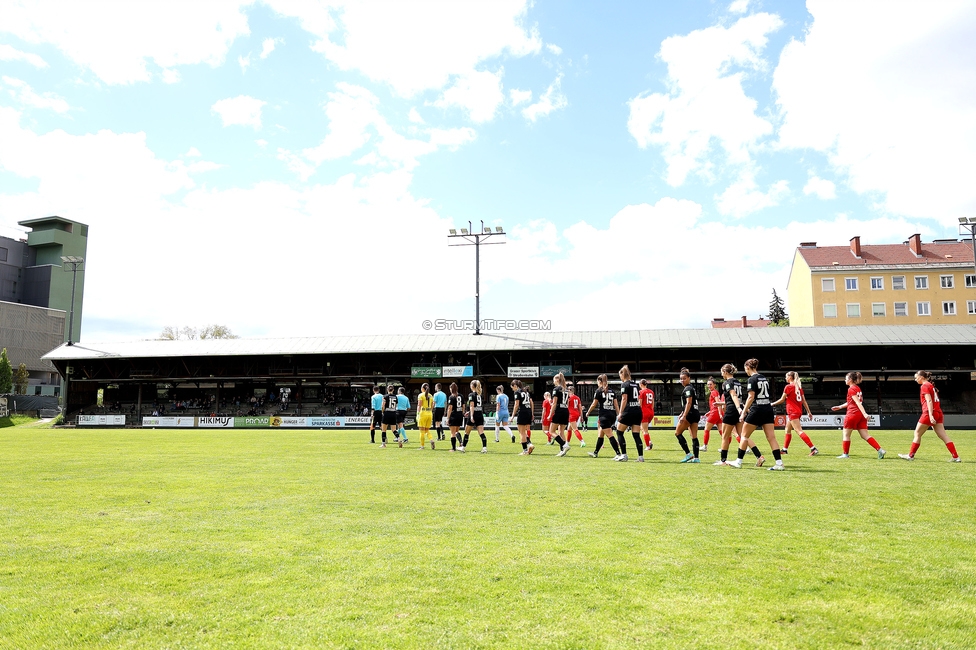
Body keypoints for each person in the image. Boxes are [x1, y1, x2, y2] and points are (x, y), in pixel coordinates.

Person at [728, 358, 785, 470]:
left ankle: (738, 462)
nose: (745, 371)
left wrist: (743, 412)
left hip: (757, 409)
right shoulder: (763, 378)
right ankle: (779, 463)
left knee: (744, 436)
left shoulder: (752, 379)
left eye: (745, 369)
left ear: (748, 367)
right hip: (767, 408)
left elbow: (751, 397)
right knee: (771, 437)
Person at [899, 370, 960, 462]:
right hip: (938, 412)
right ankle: (956, 457)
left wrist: (931, 415)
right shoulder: (931, 385)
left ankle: (910, 456)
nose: (915, 380)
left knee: (917, 433)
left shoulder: (924, 386)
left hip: (929, 413)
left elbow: (929, 401)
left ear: (921, 377)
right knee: (943, 436)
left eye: (916, 378)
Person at [831, 372, 885, 459]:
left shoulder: (851, 389)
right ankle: (880, 450)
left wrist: (865, 413)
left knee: (846, 434)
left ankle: (845, 454)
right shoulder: (857, 388)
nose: (845, 380)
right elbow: (852, 402)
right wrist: (840, 407)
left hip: (853, 414)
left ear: (850, 380)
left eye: (846, 378)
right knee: (865, 435)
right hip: (859, 415)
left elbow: (857, 403)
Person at [716, 364, 762, 466]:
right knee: (743, 436)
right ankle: (759, 456)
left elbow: (733, 395)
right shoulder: (737, 382)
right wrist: (739, 408)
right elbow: (735, 398)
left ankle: (723, 461)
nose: (721, 374)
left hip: (732, 410)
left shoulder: (727, 382)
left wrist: (737, 408)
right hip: (738, 408)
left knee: (725, 436)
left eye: (722, 372)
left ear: (726, 372)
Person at [771, 371, 818, 456]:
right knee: (787, 430)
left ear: (790, 377)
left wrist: (772, 404)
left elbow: (782, 399)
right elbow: (804, 401)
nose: (785, 378)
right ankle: (785, 450)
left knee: (798, 430)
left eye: (786, 376)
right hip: (798, 411)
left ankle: (813, 448)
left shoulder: (788, 387)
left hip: (792, 411)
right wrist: (809, 412)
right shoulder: (799, 387)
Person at [585, 373, 622, 459]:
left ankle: (618, 454)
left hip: (604, 415)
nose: (597, 383)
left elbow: (594, 404)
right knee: (600, 434)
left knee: (610, 435)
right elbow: (616, 405)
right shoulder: (612, 391)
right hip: (612, 415)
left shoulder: (598, 391)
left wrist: (588, 412)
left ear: (600, 381)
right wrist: (618, 414)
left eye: (597, 381)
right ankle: (595, 452)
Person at [614, 365, 645, 462]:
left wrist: (620, 413)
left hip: (629, 411)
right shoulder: (635, 384)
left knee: (619, 432)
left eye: (620, 375)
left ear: (623, 374)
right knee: (636, 435)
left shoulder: (624, 384)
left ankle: (624, 455)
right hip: (637, 411)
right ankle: (640, 457)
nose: (620, 377)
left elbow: (624, 399)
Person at [674, 368, 701, 463]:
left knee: (677, 433)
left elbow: (689, 403)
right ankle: (696, 458)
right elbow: (689, 403)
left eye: (684, 378)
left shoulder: (688, 388)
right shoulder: (691, 387)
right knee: (694, 436)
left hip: (690, 414)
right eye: (681, 379)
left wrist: (684, 415)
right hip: (696, 413)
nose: (682, 380)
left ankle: (688, 454)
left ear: (689, 378)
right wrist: (682, 413)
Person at [548, 373, 572, 456]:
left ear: (557, 380)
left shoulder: (556, 389)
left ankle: (564, 445)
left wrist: (550, 414)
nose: (553, 381)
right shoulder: (565, 389)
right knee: (561, 432)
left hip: (559, 411)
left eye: (554, 379)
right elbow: (568, 402)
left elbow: (554, 403)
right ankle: (563, 451)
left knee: (551, 431)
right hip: (565, 411)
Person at [463, 379, 489, 453]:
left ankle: (463, 447)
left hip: (474, 414)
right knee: (481, 432)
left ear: (472, 386)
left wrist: (471, 415)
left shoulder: (471, 395)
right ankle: (484, 448)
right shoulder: (479, 395)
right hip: (480, 414)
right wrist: (469, 411)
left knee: (467, 431)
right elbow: (477, 406)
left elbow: (472, 405)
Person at [511, 379, 535, 455]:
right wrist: (532, 413)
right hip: (528, 412)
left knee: (521, 432)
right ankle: (529, 444)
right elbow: (531, 402)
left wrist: (512, 415)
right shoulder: (526, 392)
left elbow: (516, 404)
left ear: (515, 386)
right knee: (524, 431)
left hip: (522, 412)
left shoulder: (517, 392)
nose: (512, 389)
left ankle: (525, 450)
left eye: (512, 387)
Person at [700, 378, 722, 453]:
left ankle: (705, 446)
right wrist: (710, 411)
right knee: (721, 431)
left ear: (714, 385)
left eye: (711, 384)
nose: (709, 386)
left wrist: (715, 412)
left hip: (715, 413)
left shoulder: (713, 392)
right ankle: (724, 447)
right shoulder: (716, 392)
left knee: (706, 429)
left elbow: (718, 402)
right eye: (708, 384)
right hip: (717, 413)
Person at [446, 382, 465, 452]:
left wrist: (448, 418)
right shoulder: (461, 396)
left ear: (451, 389)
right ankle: (461, 442)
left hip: (453, 415)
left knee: (452, 433)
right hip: (460, 415)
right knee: (457, 431)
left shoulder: (451, 397)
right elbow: (463, 405)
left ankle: (453, 448)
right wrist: (463, 412)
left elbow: (450, 408)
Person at [416, 383, 435, 449]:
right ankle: (431, 439)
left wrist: (418, 414)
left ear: (422, 388)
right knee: (427, 430)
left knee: (422, 431)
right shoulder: (431, 396)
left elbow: (419, 405)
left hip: (423, 413)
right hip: (429, 413)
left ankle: (422, 446)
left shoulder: (421, 395)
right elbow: (433, 405)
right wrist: (430, 410)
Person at [566, 382, 585, 447]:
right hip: (577, 414)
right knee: (569, 429)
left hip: (571, 414)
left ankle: (582, 441)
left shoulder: (568, 398)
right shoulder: (577, 398)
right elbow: (580, 408)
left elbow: (567, 406)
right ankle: (567, 443)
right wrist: (581, 416)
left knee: (575, 429)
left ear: (570, 391)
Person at [638, 378, 654, 451]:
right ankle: (649, 441)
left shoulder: (641, 392)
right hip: (651, 412)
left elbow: (640, 404)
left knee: (644, 430)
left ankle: (648, 446)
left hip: (644, 412)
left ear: (641, 385)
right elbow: (653, 403)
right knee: (643, 428)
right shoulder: (651, 392)